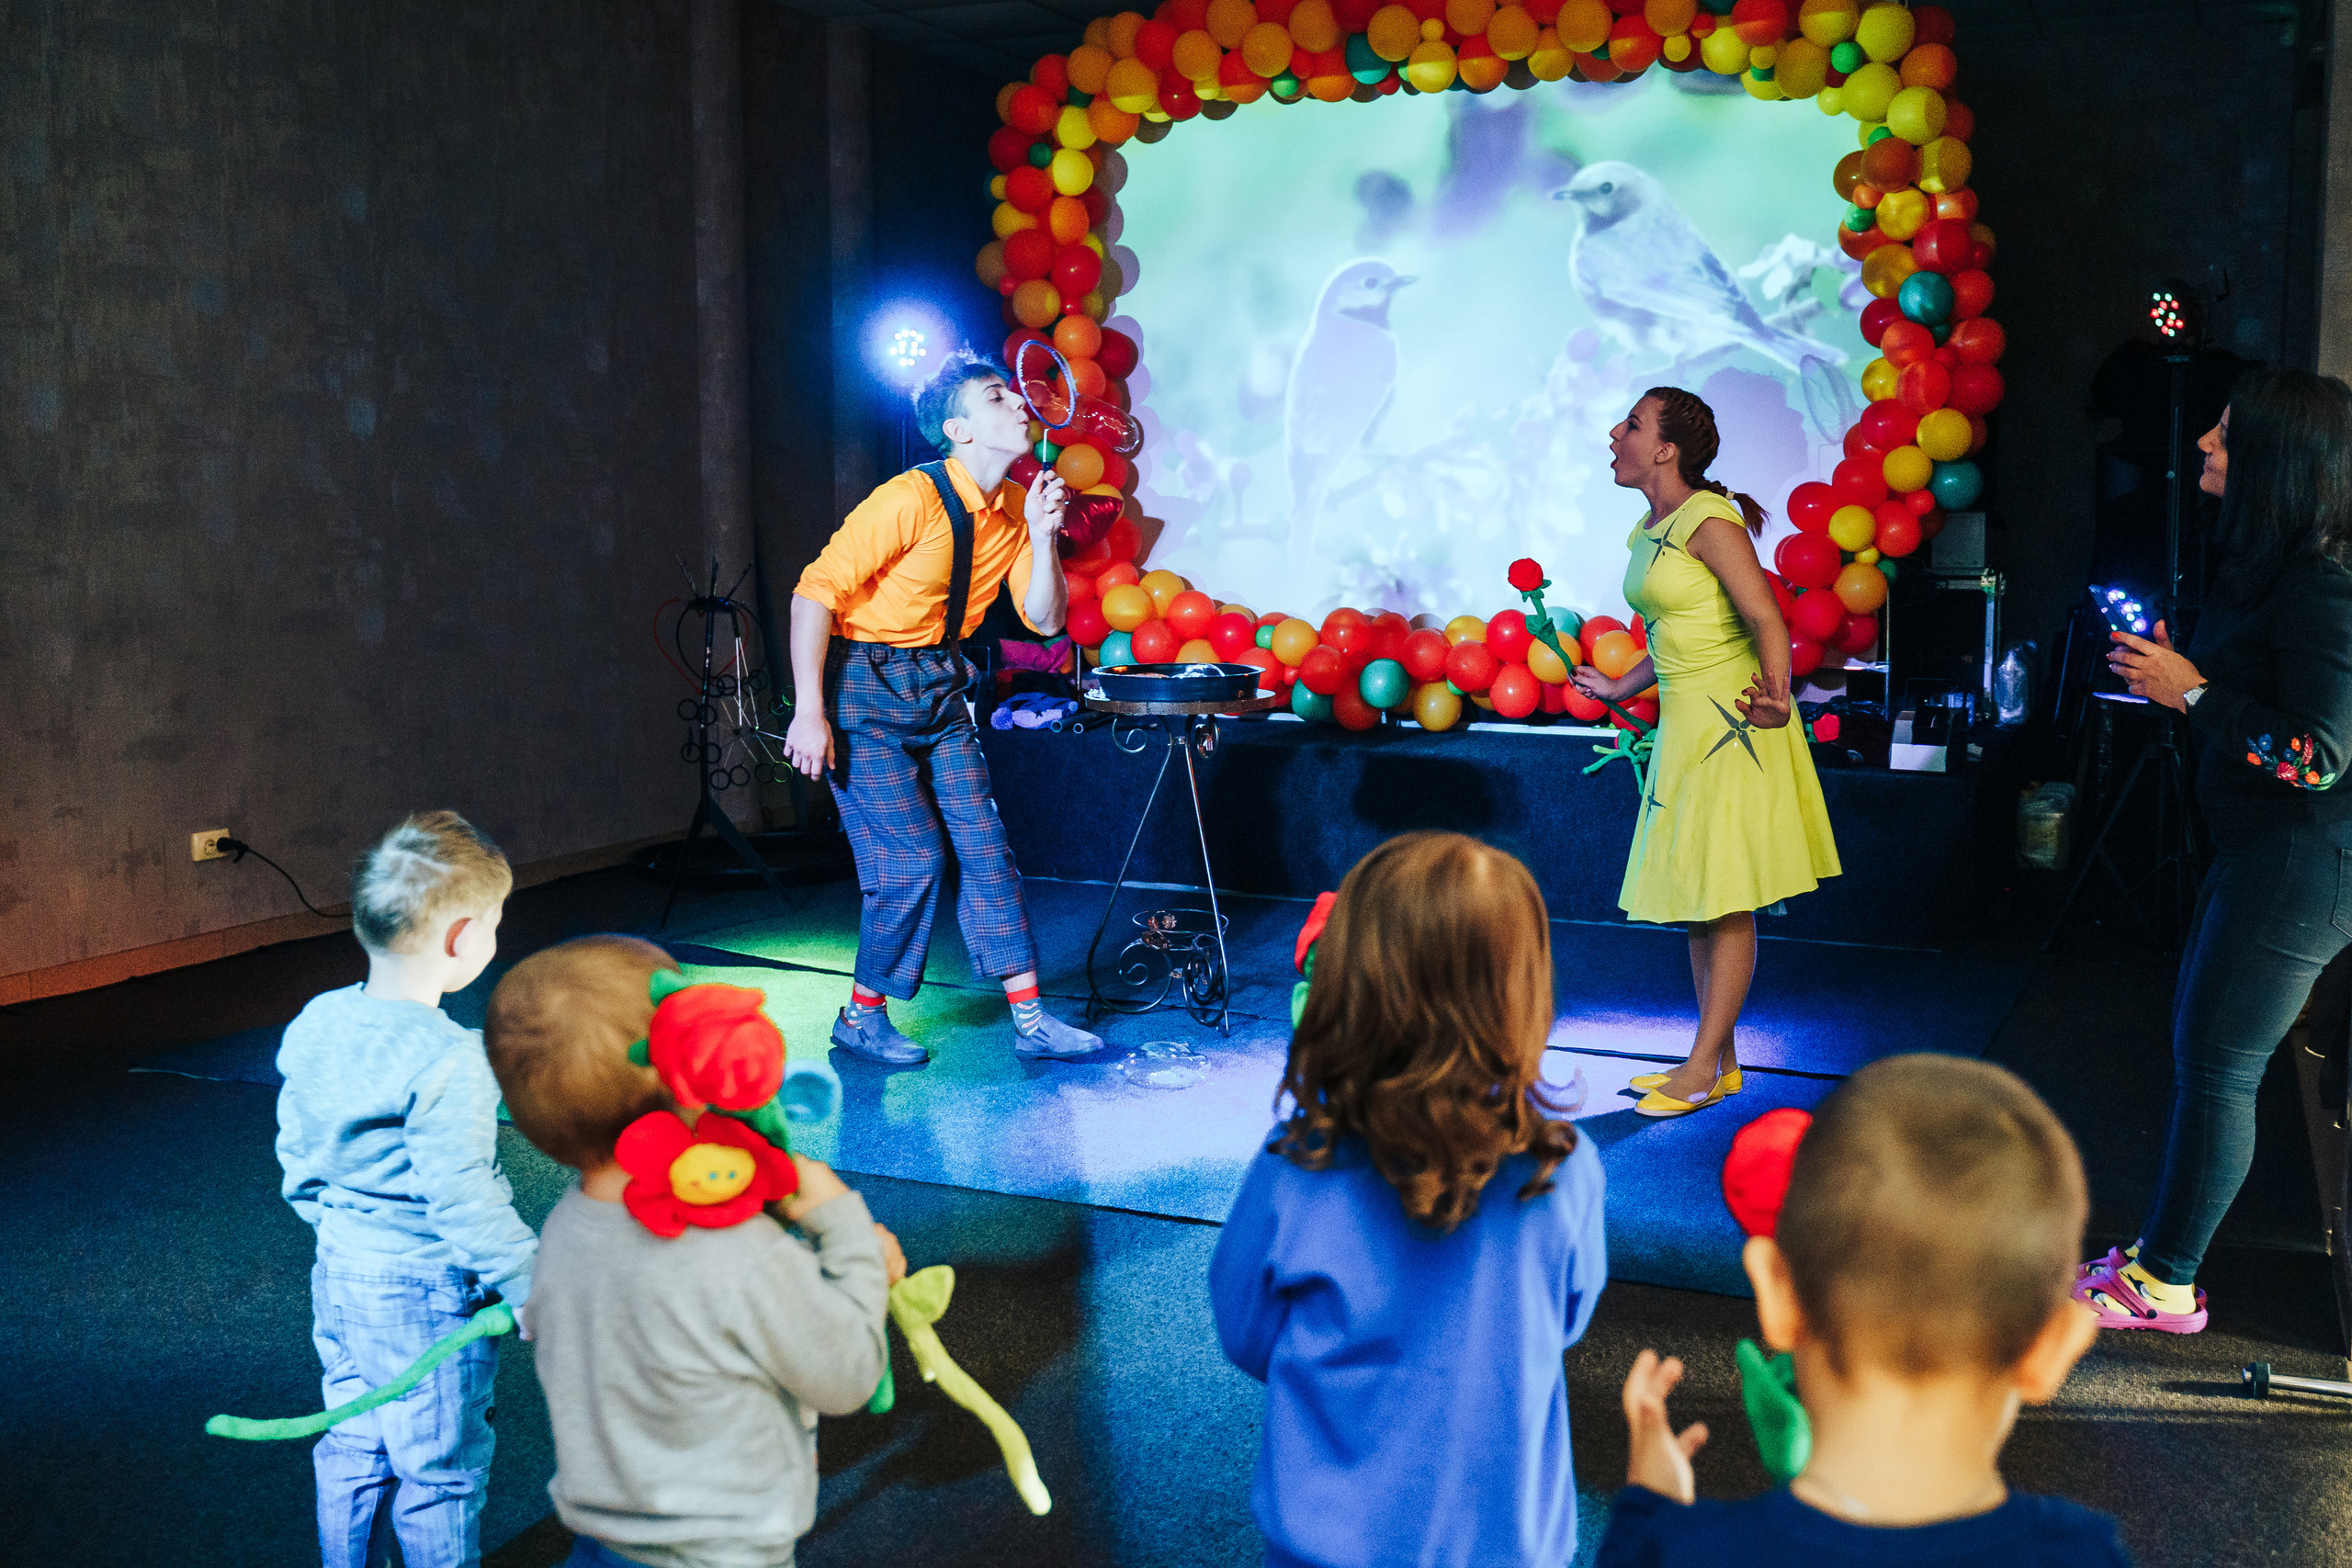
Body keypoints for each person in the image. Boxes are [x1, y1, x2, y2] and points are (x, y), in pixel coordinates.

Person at [1208, 832, 1607, 1568]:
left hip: (1326, 1546)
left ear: (1347, 986)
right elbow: (1568, 1318)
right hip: (1506, 1547)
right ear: (1523, 994)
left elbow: (1245, 1330)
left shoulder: (1295, 1167)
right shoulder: (1565, 1168)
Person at [1598, 1055, 2131, 1568]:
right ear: (2056, 1346)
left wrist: (1647, 1507)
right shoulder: (2084, 1554)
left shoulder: (1674, 1551)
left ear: (1778, 1295)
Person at [483, 934, 903, 1568]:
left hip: (600, 1546)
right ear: (691, 1077)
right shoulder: (741, 1252)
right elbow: (847, 1375)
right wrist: (851, 1242)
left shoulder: (565, 1229)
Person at [2076, 365, 2352, 1332]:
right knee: (2207, 1059)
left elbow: (2314, 756)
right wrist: (2176, 679)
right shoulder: (2281, 569)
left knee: (2217, 1068)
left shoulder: (2323, 583)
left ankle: (2165, 1284)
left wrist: (2189, 692)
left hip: (2297, 866)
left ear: (2278, 464)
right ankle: (2158, 1262)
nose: (2202, 444)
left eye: (2226, 437)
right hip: (2262, 857)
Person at [784, 350, 1101, 1066]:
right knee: (913, 857)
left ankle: (1031, 1020)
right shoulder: (910, 498)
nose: (1020, 404)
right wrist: (810, 711)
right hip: (865, 683)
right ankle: (861, 1017)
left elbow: (1046, 619)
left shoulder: (1020, 510)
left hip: (940, 684)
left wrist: (1046, 538)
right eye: (998, 397)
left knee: (987, 847)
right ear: (959, 429)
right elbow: (814, 593)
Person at [274, 810, 536, 1568]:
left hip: (341, 1270)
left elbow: (297, 1147)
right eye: (493, 923)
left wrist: (331, 1226)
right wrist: (527, 1281)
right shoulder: (453, 1057)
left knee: (353, 1429)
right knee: (440, 1467)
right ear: (462, 938)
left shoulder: (317, 1019)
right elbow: (464, 1197)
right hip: (425, 1293)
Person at [1572, 387, 1840, 1117]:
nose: (1614, 432)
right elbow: (1671, 633)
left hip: (1734, 723)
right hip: (1687, 727)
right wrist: (1617, 684)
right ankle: (1716, 1063)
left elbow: (1766, 617)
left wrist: (1779, 698)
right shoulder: (1650, 527)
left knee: (1724, 899)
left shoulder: (1709, 521)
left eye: (1630, 423)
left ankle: (1699, 1067)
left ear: (1666, 448)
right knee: (1701, 897)